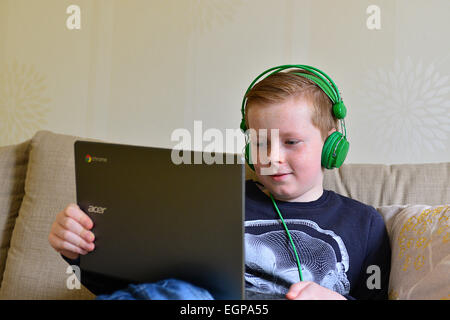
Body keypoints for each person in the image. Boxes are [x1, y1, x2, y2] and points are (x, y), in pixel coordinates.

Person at [48, 64, 391, 300]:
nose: (271, 157)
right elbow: (140, 282)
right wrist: (79, 250)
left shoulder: (364, 224)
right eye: (260, 142)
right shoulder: (214, 199)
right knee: (182, 292)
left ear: (332, 145)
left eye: (290, 142)